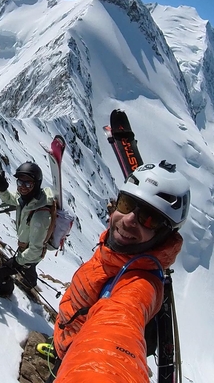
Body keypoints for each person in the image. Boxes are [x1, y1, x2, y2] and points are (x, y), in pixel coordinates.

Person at [50, 160, 190, 383]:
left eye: (149, 218)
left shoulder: (138, 284)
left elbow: (114, 335)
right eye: (125, 204)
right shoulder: (117, 255)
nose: (128, 220)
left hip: (75, 359)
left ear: (165, 235)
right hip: (66, 347)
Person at [0, 162, 56, 297]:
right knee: (29, 268)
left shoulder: (40, 215)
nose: (22, 187)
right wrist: (2, 189)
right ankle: (30, 282)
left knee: (0, 273)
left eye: (27, 184)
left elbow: (35, 250)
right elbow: (12, 199)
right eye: (20, 183)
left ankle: (5, 294)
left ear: (36, 184)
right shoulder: (28, 199)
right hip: (27, 249)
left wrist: (16, 262)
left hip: (30, 253)